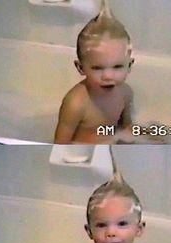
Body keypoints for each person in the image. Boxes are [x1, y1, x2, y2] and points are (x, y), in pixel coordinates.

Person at [65, 147, 151, 243]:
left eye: (122, 223)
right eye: (101, 225)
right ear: (89, 231)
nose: (111, 232)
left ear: (139, 229)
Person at [54, 1, 135, 144]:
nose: (108, 76)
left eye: (117, 67)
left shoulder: (125, 93)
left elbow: (126, 129)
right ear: (80, 68)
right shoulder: (76, 103)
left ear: (129, 65)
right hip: (82, 158)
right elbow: (60, 145)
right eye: (97, 68)